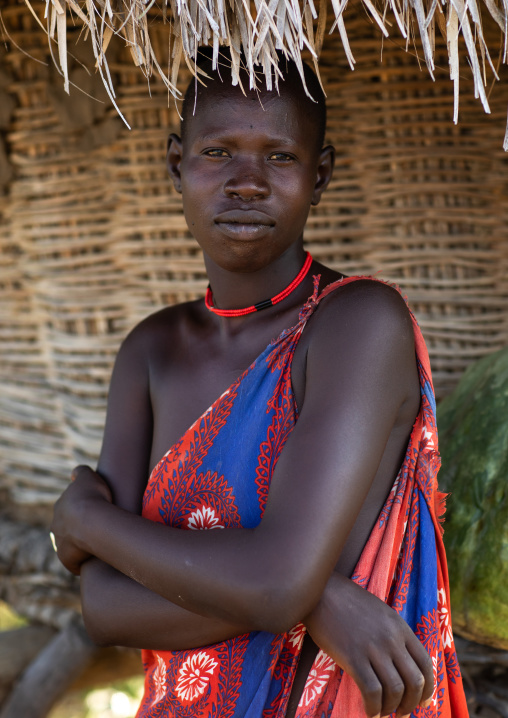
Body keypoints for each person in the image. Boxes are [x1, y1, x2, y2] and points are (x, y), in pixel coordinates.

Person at [51, 51, 468, 718]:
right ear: (175, 164)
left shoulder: (356, 326)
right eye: (218, 151)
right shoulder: (151, 354)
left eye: (278, 156)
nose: (247, 182)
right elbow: (104, 606)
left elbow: (275, 586)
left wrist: (88, 520)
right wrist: (322, 600)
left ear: (319, 173)